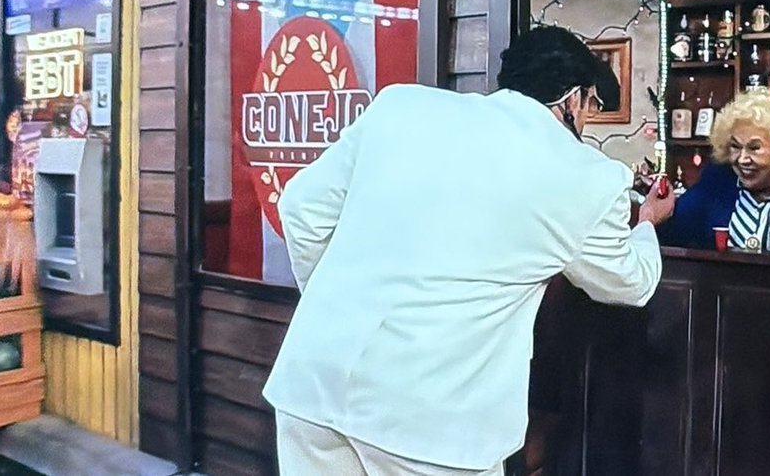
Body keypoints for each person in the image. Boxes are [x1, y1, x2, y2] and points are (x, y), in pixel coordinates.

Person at [262, 26, 676, 476]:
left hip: (313, 384)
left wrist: (334, 305)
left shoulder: (401, 106)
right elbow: (629, 283)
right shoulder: (588, 176)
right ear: (573, 99)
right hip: (433, 422)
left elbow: (300, 208)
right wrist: (648, 223)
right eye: (593, 104)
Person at [656, 93, 770, 253]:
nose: (742, 159)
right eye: (735, 147)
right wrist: (654, 211)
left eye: (754, 148)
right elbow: (670, 236)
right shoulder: (716, 182)